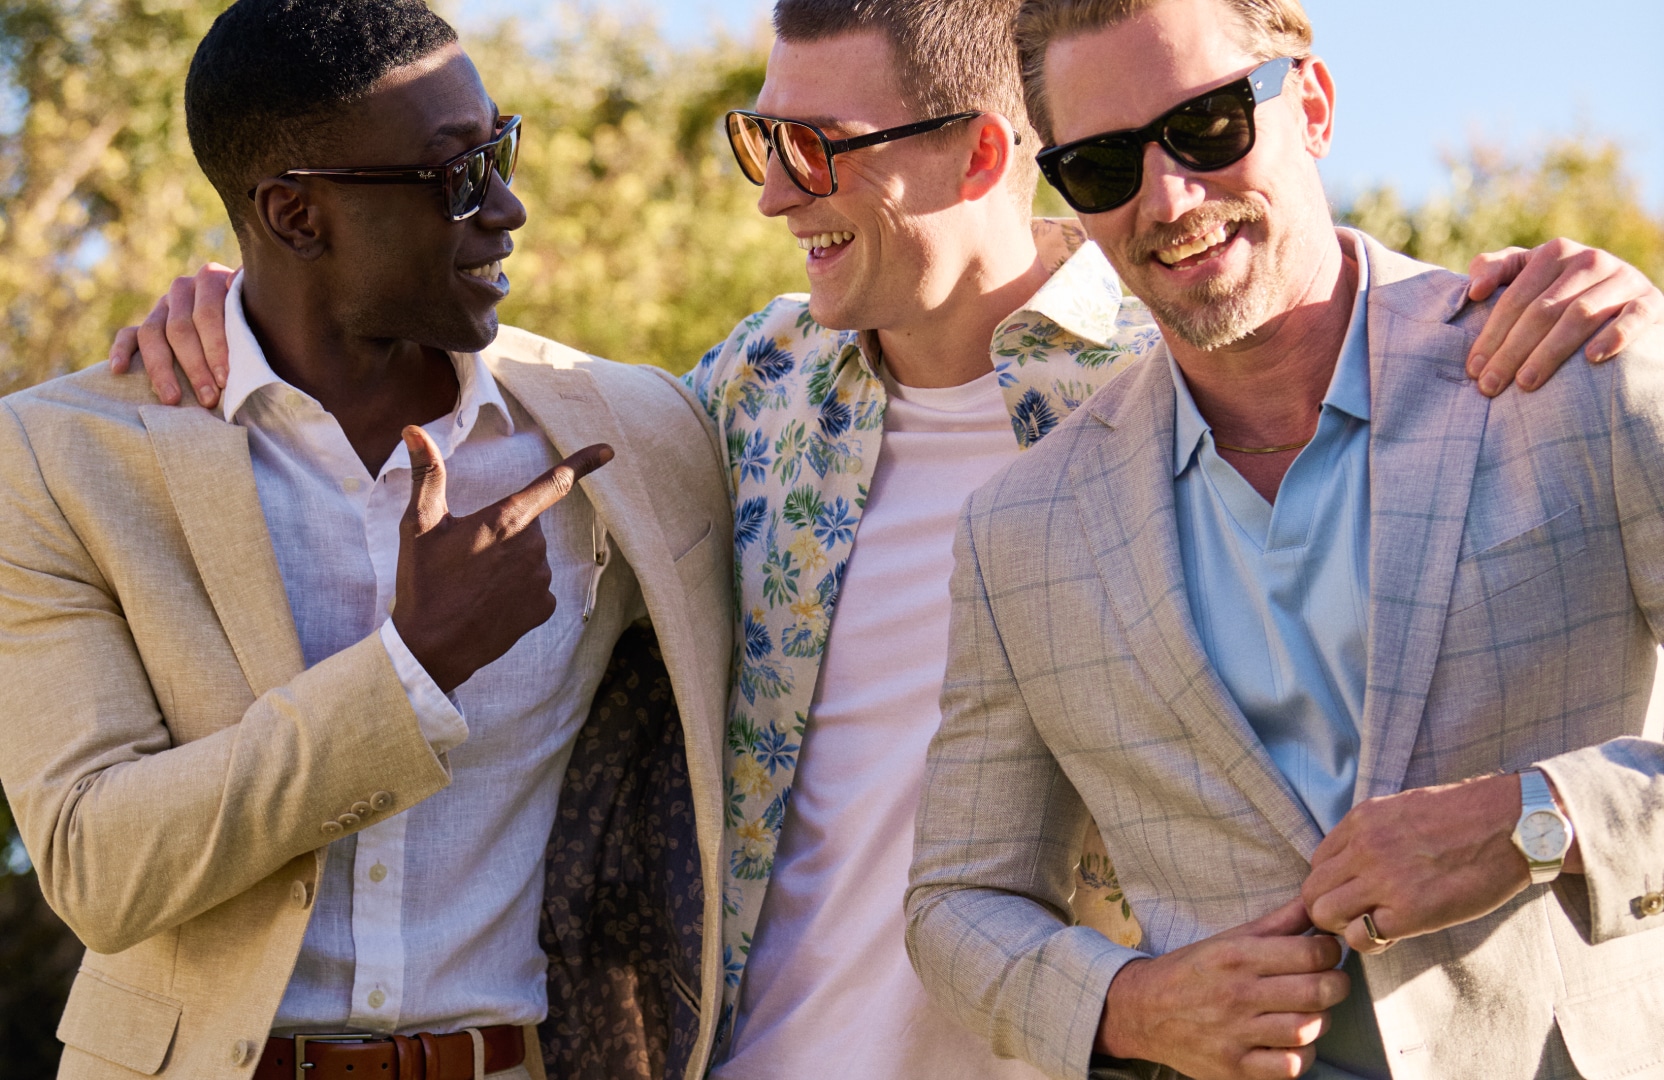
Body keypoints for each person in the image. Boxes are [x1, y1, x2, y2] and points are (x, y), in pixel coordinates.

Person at [112, 2, 1664, 1077]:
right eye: (758, 142)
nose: (778, 195)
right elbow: (474, 367)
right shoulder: (739, 401)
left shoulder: (1171, 361)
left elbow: (1307, 301)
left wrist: (1597, 298)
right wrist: (246, 301)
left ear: (983, 156)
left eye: (820, 148)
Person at [904, 0, 1664, 1078]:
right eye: (1106, 165)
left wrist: (1535, 821)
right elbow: (956, 901)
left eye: (1208, 126)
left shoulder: (1577, 363)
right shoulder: (1017, 532)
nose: (1167, 197)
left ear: (1308, 103)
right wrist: (1127, 1005)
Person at [0, 1, 733, 1077]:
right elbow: (94, 867)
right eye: (455, 175)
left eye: (500, 149)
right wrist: (412, 669)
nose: (509, 207)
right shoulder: (59, 459)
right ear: (295, 216)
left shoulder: (642, 432)